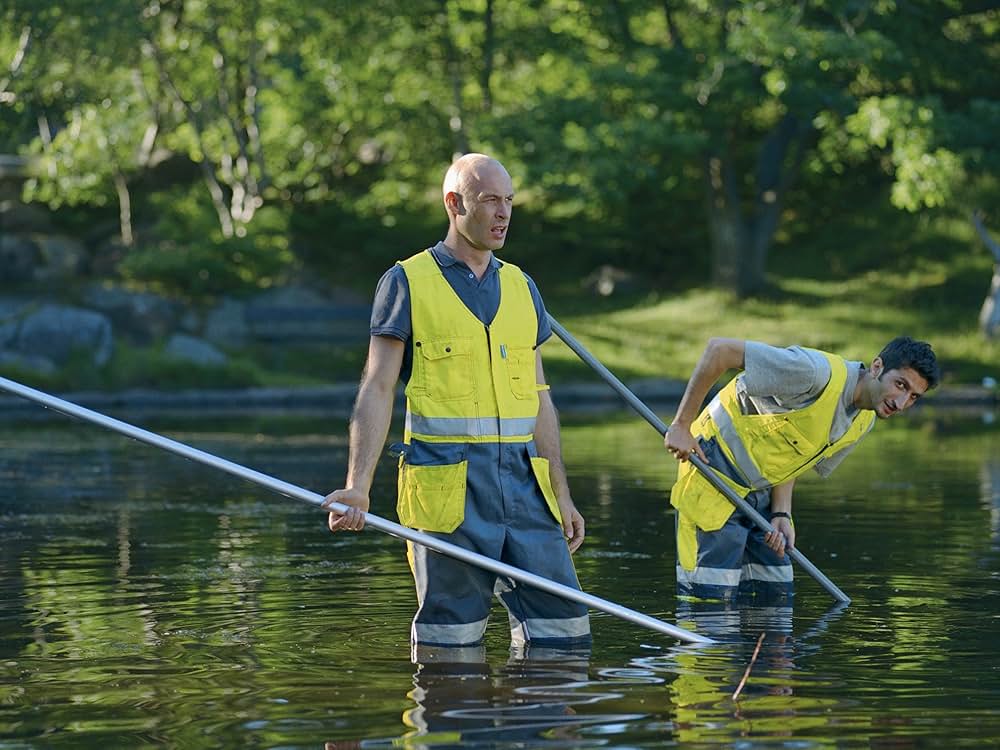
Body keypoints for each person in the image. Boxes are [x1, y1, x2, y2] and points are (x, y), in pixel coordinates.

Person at [322, 153, 590, 655]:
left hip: (528, 491)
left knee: (565, 634)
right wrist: (358, 487)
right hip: (447, 489)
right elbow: (377, 388)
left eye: (509, 201)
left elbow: (540, 399)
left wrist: (561, 493)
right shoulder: (406, 282)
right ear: (454, 203)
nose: (503, 213)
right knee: (451, 644)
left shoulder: (522, 286)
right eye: (490, 200)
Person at [664, 336, 939, 601]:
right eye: (901, 385)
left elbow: (794, 452)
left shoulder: (863, 421)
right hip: (713, 471)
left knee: (775, 594)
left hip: (764, 492)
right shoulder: (813, 372)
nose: (902, 403)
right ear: (877, 367)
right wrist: (681, 425)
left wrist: (782, 512)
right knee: (710, 601)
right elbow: (719, 350)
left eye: (914, 397)